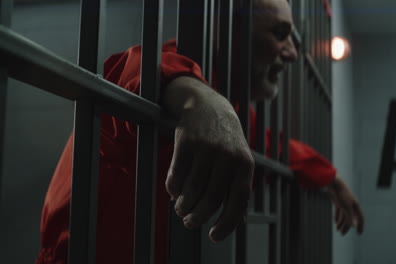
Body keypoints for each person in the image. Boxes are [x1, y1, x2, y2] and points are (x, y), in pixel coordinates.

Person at [36, 0, 363, 263]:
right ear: (227, 28)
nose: (292, 52)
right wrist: (196, 98)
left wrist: (329, 176)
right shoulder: (172, 67)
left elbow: (270, 145)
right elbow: (132, 73)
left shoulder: (227, 99)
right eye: (280, 33)